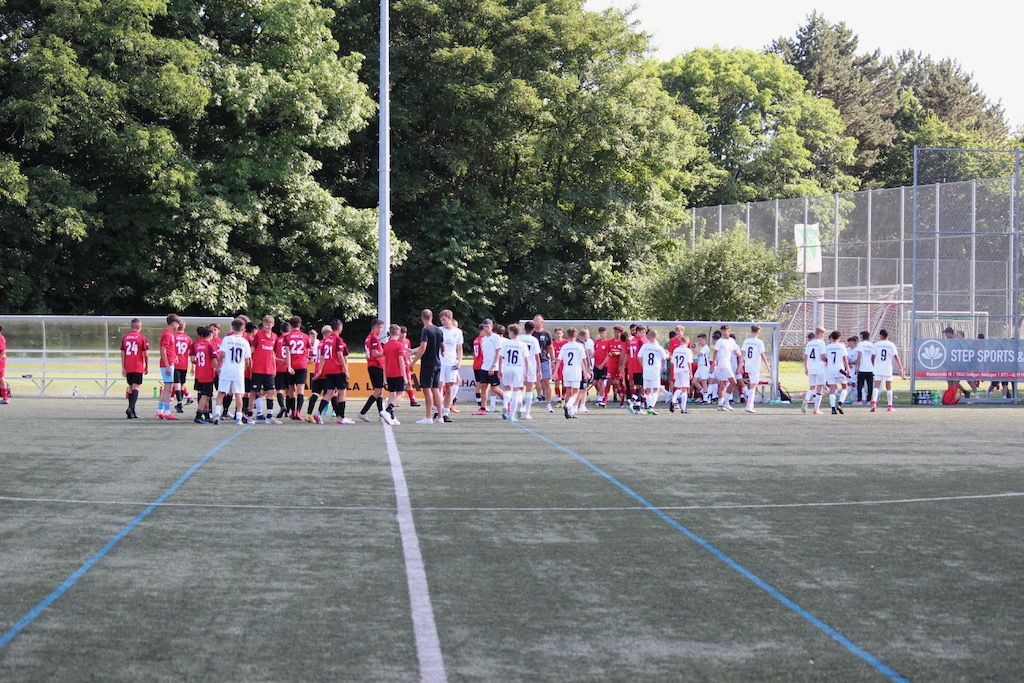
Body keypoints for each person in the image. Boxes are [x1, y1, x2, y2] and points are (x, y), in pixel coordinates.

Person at [313, 320, 354, 425]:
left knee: (329, 393)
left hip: (328, 370)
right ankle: (341, 417)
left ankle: (318, 413)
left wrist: (320, 371)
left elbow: (322, 357)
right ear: (340, 328)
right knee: (342, 393)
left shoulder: (325, 340)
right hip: (337, 370)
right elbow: (340, 355)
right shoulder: (338, 340)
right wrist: (345, 370)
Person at [212, 319, 252, 425]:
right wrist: (243, 369)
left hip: (226, 369)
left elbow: (222, 354)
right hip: (238, 371)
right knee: (239, 394)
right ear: (243, 328)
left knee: (221, 392)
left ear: (233, 328)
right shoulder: (245, 342)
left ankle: (217, 414)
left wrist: (217, 367)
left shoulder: (226, 339)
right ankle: (238, 417)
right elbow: (247, 361)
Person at [410, 309, 445, 424]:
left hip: (428, 364)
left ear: (422, 318)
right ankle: (440, 416)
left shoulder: (425, 330)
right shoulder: (438, 330)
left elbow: (423, 347)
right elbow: (442, 346)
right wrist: (412, 351)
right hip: (437, 363)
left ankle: (428, 417)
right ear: (432, 317)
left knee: (427, 389)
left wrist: (413, 362)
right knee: (436, 389)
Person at [249, 315, 282, 424]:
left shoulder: (274, 337)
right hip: (258, 369)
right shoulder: (259, 335)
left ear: (273, 325)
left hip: (269, 369)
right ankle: (249, 415)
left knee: (271, 391)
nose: (267, 326)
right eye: (265, 324)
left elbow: (273, 353)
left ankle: (269, 416)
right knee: (254, 392)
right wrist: (248, 361)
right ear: (263, 324)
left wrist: (274, 367)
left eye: (269, 324)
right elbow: (251, 349)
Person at [554, 327, 589, 419]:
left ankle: (571, 412)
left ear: (567, 335)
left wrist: (555, 372)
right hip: (575, 371)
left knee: (568, 391)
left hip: (566, 371)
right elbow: (584, 360)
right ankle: (568, 405)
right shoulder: (579, 346)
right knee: (576, 391)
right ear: (576, 335)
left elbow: (559, 359)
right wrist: (586, 372)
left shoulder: (564, 346)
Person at [358, 318, 389, 423]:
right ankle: (363, 412)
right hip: (375, 365)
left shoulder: (369, 337)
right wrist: (386, 352)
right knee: (378, 391)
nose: (381, 330)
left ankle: (381, 413)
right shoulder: (374, 338)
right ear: (375, 327)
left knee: (379, 391)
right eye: (380, 328)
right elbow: (375, 354)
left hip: (373, 365)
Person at [498, 323, 529, 422]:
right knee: (516, 391)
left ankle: (505, 406)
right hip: (517, 368)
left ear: (511, 332)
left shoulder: (505, 343)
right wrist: (526, 373)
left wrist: (500, 369)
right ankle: (511, 415)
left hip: (507, 367)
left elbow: (500, 357)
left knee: (508, 389)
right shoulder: (522, 344)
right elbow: (526, 360)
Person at [120, 318, 149, 418]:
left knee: (131, 387)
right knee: (136, 387)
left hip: (128, 365)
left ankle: (132, 411)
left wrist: (123, 367)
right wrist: (147, 366)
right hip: (137, 365)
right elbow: (146, 354)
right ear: (139, 327)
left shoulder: (125, 337)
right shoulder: (142, 337)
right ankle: (130, 408)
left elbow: (122, 353)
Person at [871, 329, 906, 412]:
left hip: (878, 367)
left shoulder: (876, 344)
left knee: (876, 386)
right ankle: (890, 406)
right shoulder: (891, 345)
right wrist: (901, 367)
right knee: (889, 387)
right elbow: (896, 356)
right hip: (887, 368)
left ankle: (874, 403)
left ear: (880, 335)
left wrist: (874, 365)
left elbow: (872, 357)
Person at [282, 316, 310, 420]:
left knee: (291, 390)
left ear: (290, 325)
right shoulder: (305, 336)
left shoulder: (287, 337)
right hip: (302, 365)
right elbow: (307, 352)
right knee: (300, 389)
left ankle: (293, 412)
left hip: (292, 365)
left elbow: (287, 353)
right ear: (300, 324)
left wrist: (289, 366)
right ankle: (298, 412)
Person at [439, 310, 464, 420]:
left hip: (451, 363)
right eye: (441, 320)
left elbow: (459, 348)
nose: (442, 322)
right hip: (440, 362)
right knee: (438, 387)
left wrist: (459, 361)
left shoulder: (457, 332)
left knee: (449, 388)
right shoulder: (439, 330)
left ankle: (446, 412)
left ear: (449, 318)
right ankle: (437, 410)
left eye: (444, 319)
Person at [157, 314, 183, 420]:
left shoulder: (169, 334)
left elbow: (167, 349)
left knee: (167, 387)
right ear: (173, 324)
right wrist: (167, 365)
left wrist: (174, 356)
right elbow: (163, 350)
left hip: (169, 362)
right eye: (178, 324)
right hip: (167, 364)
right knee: (169, 388)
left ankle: (160, 411)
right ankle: (167, 412)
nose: (178, 326)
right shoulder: (167, 334)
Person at [740, 325, 769, 414]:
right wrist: (767, 365)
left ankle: (750, 404)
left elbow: (743, 354)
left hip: (748, 365)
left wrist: (740, 365)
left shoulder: (746, 341)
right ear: (758, 332)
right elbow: (762, 355)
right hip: (755, 366)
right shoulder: (759, 342)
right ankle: (749, 405)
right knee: (753, 385)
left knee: (752, 384)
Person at [190, 326, 217, 424]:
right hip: (207, 374)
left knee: (206, 395)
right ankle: (198, 415)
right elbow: (214, 360)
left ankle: (206, 415)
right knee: (205, 396)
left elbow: (193, 359)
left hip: (199, 373)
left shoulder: (197, 344)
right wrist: (219, 370)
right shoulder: (210, 345)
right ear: (210, 334)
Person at [476, 318, 502, 415]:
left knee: (495, 388)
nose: (486, 328)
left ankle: (508, 400)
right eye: (484, 327)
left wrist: (493, 366)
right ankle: (483, 408)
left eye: (487, 326)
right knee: (483, 386)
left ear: (491, 327)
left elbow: (498, 352)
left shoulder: (496, 337)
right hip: (484, 366)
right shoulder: (483, 339)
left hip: (493, 367)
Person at [712, 324, 742, 412]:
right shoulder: (720, 341)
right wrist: (714, 362)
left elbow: (735, 352)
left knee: (723, 383)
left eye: (725, 331)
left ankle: (720, 405)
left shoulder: (732, 341)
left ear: (729, 331)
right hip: (723, 364)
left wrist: (742, 357)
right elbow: (715, 352)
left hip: (727, 364)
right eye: (722, 331)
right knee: (733, 382)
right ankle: (726, 402)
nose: (724, 333)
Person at [638, 329, 668, 415]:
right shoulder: (659, 348)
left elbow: (638, 357)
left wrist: (643, 366)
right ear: (657, 336)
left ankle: (648, 406)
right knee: (656, 389)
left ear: (648, 336)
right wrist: (668, 353)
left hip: (646, 370)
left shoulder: (644, 346)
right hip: (655, 370)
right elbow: (665, 357)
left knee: (647, 389)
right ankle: (651, 407)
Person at [382, 324, 407, 425]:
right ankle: (388, 410)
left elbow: (384, 361)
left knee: (392, 393)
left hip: (389, 373)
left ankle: (391, 417)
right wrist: (404, 375)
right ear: (399, 333)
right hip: (398, 372)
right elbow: (401, 361)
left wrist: (385, 375)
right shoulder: (399, 345)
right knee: (401, 393)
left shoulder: (386, 345)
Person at [824, 330, 851, 415]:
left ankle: (832, 408)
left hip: (830, 369)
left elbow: (825, 358)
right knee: (844, 387)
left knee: (832, 389)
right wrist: (848, 369)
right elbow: (845, 358)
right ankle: (839, 404)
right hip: (840, 369)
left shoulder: (827, 347)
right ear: (839, 338)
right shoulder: (841, 346)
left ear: (831, 337)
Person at [519, 321, 542, 419]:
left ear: (524, 328)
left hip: (520, 366)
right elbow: (537, 356)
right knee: (529, 390)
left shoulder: (519, 338)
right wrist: (539, 370)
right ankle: (527, 413)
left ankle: (519, 408)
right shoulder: (534, 340)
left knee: (519, 389)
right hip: (531, 366)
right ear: (533, 329)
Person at [803, 328, 827, 415]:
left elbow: (805, 357)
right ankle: (816, 409)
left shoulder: (809, 343)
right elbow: (823, 356)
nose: (823, 335)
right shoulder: (821, 343)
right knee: (819, 388)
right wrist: (828, 361)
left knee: (812, 387)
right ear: (820, 333)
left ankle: (806, 399)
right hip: (820, 368)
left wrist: (806, 368)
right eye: (823, 334)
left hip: (811, 368)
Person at [532, 315, 554, 409]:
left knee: (546, 381)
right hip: (533, 361)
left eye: (538, 321)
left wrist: (553, 360)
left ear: (542, 322)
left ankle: (548, 403)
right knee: (535, 380)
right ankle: (539, 396)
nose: (536, 323)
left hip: (544, 359)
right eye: (534, 321)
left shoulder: (546, 333)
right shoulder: (531, 334)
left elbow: (550, 347)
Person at [172, 321, 193, 413]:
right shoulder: (188, 338)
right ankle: (182, 401)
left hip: (175, 363)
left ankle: (179, 403)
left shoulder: (173, 337)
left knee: (176, 383)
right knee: (182, 384)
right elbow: (191, 353)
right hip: (184, 363)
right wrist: (193, 366)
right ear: (184, 327)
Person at [669, 335, 693, 414]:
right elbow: (689, 362)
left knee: (679, 388)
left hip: (677, 370)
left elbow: (672, 362)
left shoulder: (676, 350)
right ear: (687, 342)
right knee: (684, 389)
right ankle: (683, 408)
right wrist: (690, 372)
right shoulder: (688, 351)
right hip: (684, 370)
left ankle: (673, 400)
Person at [855, 331, 874, 405]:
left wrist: (857, 366)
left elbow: (859, 355)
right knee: (870, 385)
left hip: (862, 368)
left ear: (862, 337)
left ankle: (859, 400)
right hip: (870, 368)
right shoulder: (872, 345)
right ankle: (868, 400)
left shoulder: (860, 344)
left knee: (860, 384)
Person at [693, 333, 712, 404]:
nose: (699, 342)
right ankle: (705, 395)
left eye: (700, 340)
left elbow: (699, 353)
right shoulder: (702, 348)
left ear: (704, 340)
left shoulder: (706, 347)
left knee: (704, 381)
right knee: (694, 381)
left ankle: (705, 399)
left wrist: (696, 347)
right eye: (698, 340)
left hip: (704, 366)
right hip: (700, 366)